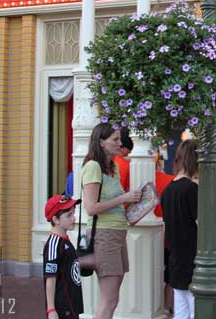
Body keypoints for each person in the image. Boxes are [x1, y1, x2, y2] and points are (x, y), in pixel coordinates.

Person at [81, 123, 142, 319]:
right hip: (104, 235)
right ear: (101, 142)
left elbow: (111, 204)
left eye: (119, 138)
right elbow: (91, 208)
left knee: (113, 298)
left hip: (116, 233)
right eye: (115, 139)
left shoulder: (113, 166)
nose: (120, 143)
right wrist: (124, 199)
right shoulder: (93, 166)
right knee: (109, 299)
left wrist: (135, 209)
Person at [161, 139, 199, 319]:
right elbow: (200, 223)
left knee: (181, 310)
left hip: (176, 256)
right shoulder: (192, 189)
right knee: (195, 308)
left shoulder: (168, 190)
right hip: (193, 256)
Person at [43, 194, 84, 319]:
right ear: (56, 220)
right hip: (63, 308)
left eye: (73, 213)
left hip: (72, 304)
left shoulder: (65, 240)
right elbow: (50, 278)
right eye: (69, 215)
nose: (73, 218)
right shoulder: (54, 245)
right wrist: (51, 309)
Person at [152, 148, 175, 316]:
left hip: (147, 234)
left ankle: (155, 306)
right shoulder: (170, 180)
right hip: (168, 233)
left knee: (152, 272)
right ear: (160, 162)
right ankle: (166, 307)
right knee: (170, 274)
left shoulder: (136, 180)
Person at [114, 127, 134, 192]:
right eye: (129, 150)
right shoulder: (125, 164)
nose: (130, 152)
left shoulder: (108, 159)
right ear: (122, 149)